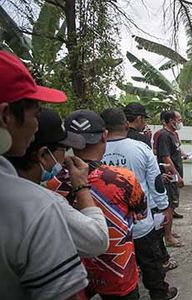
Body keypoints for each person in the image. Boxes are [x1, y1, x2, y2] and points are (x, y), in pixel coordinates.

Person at [0, 51, 88, 299]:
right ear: (6, 115)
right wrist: (81, 187)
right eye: (35, 113)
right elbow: (96, 240)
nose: (36, 125)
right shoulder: (33, 207)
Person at [47, 109, 147, 299]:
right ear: (104, 135)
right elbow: (141, 209)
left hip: (76, 270)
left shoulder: (52, 183)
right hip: (117, 268)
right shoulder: (122, 178)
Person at [7, 107, 109, 257]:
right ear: (42, 155)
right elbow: (97, 241)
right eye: (64, 148)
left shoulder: (8, 188)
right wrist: (81, 187)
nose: (66, 157)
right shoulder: (46, 203)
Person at [100, 108, 179, 299]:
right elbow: (156, 183)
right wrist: (164, 208)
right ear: (126, 124)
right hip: (141, 220)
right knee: (150, 260)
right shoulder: (140, 148)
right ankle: (159, 293)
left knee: (116, 263)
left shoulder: (96, 151)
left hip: (108, 223)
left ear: (104, 129)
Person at [156, 110, 185, 248]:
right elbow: (166, 158)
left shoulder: (173, 135)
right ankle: (167, 237)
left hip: (174, 173)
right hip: (169, 176)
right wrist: (177, 176)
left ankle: (169, 232)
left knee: (172, 205)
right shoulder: (164, 136)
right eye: (177, 119)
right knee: (168, 205)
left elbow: (176, 151)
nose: (179, 121)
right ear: (169, 121)